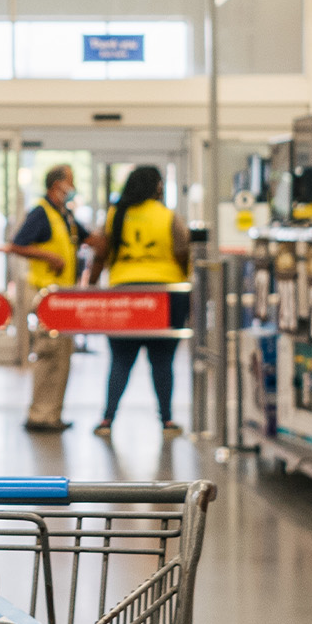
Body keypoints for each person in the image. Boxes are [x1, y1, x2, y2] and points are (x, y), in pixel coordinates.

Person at [84, 165, 191, 435]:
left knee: (120, 360)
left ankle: (107, 419)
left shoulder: (114, 216)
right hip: (165, 293)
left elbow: (100, 254)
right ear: (156, 186)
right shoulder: (168, 216)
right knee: (163, 360)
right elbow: (183, 251)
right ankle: (166, 420)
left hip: (125, 294)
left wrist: (93, 285)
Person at [6, 164, 102, 432]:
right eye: (69, 183)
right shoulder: (41, 212)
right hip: (45, 294)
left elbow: (90, 239)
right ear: (56, 185)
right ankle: (40, 414)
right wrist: (49, 256)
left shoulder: (65, 215)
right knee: (49, 354)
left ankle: (53, 413)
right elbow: (16, 245)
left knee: (63, 356)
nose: (72, 189)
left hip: (63, 296)